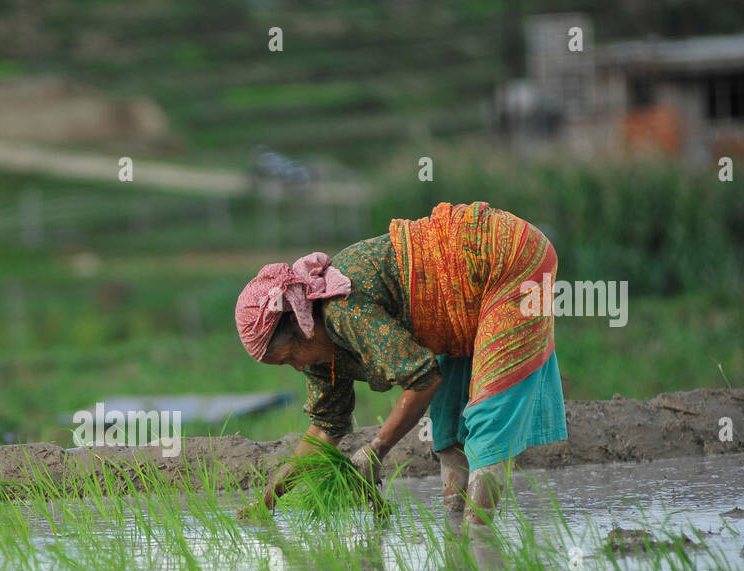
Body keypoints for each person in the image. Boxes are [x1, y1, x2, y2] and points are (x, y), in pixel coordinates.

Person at [235, 201, 568, 525]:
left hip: (506, 258)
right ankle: (455, 531)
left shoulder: (343, 309)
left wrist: (377, 448)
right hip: (460, 302)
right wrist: (268, 501)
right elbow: (324, 432)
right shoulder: (320, 354)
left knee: (489, 412)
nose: (297, 367)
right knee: (448, 417)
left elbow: (424, 381)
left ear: (301, 326)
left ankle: (478, 537)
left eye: (289, 357)